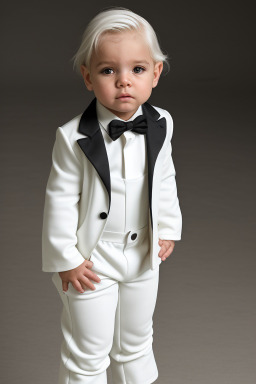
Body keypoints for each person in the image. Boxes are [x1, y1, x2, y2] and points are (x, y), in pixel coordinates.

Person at [42, 7, 182, 384]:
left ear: (155, 72)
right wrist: (66, 258)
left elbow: (164, 176)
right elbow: (60, 199)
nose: (124, 81)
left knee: (136, 341)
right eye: (108, 70)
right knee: (88, 349)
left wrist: (167, 226)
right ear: (88, 77)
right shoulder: (71, 137)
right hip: (93, 259)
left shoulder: (161, 123)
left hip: (141, 254)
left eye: (137, 69)